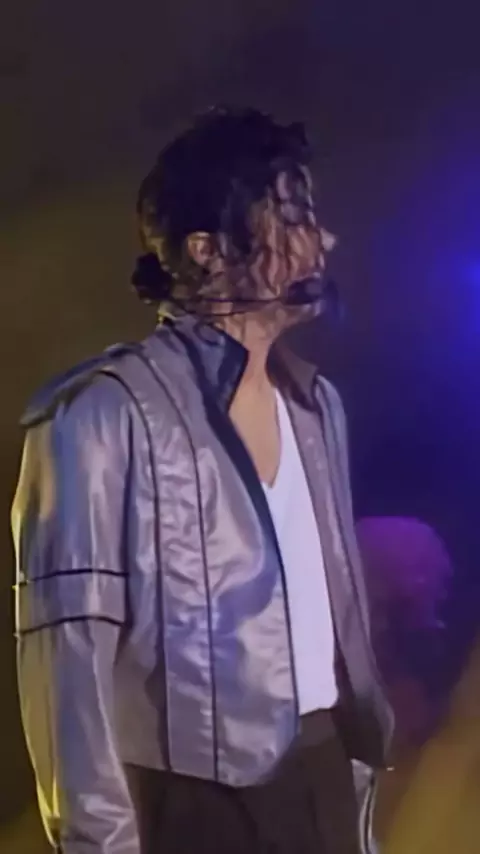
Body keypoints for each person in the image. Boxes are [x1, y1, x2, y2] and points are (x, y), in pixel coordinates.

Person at [11, 106, 393, 854]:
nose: (324, 240)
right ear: (205, 250)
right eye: (292, 215)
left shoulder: (316, 406)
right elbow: (67, 666)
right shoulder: (99, 414)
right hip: (193, 808)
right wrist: (100, 843)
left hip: (320, 782)